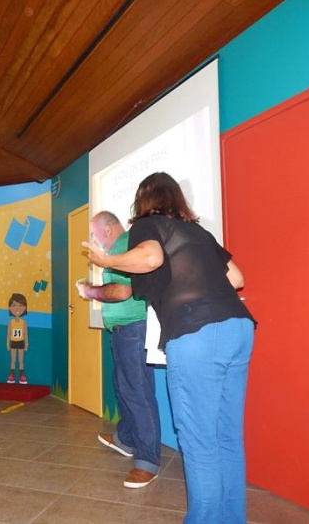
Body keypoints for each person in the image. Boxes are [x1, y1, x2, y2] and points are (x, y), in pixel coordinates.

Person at [82, 172, 256, 524]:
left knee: (199, 441)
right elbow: (237, 279)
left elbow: (149, 260)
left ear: (144, 201)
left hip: (197, 333)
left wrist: (106, 261)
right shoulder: (198, 232)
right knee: (227, 437)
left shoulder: (148, 225)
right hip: (238, 329)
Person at [76, 210, 161, 489]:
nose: (94, 240)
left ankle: (148, 461)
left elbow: (122, 291)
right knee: (123, 387)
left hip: (133, 329)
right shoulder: (120, 250)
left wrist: (89, 291)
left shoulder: (124, 245)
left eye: (94, 234)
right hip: (124, 331)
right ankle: (126, 439)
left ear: (107, 230)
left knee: (137, 392)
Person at [6, 293, 29, 384]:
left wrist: (26, 343)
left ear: (25, 308)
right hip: (13, 342)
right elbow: (9, 333)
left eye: (20, 305)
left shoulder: (23, 322)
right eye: (14, 305)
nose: (17, 309)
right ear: (10, 308)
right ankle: (11, 375)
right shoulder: (11, 322)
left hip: (21, 342)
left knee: (21, 360)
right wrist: (7, 343)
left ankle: (21, 375)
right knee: (13, 360)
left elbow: (25, 333)